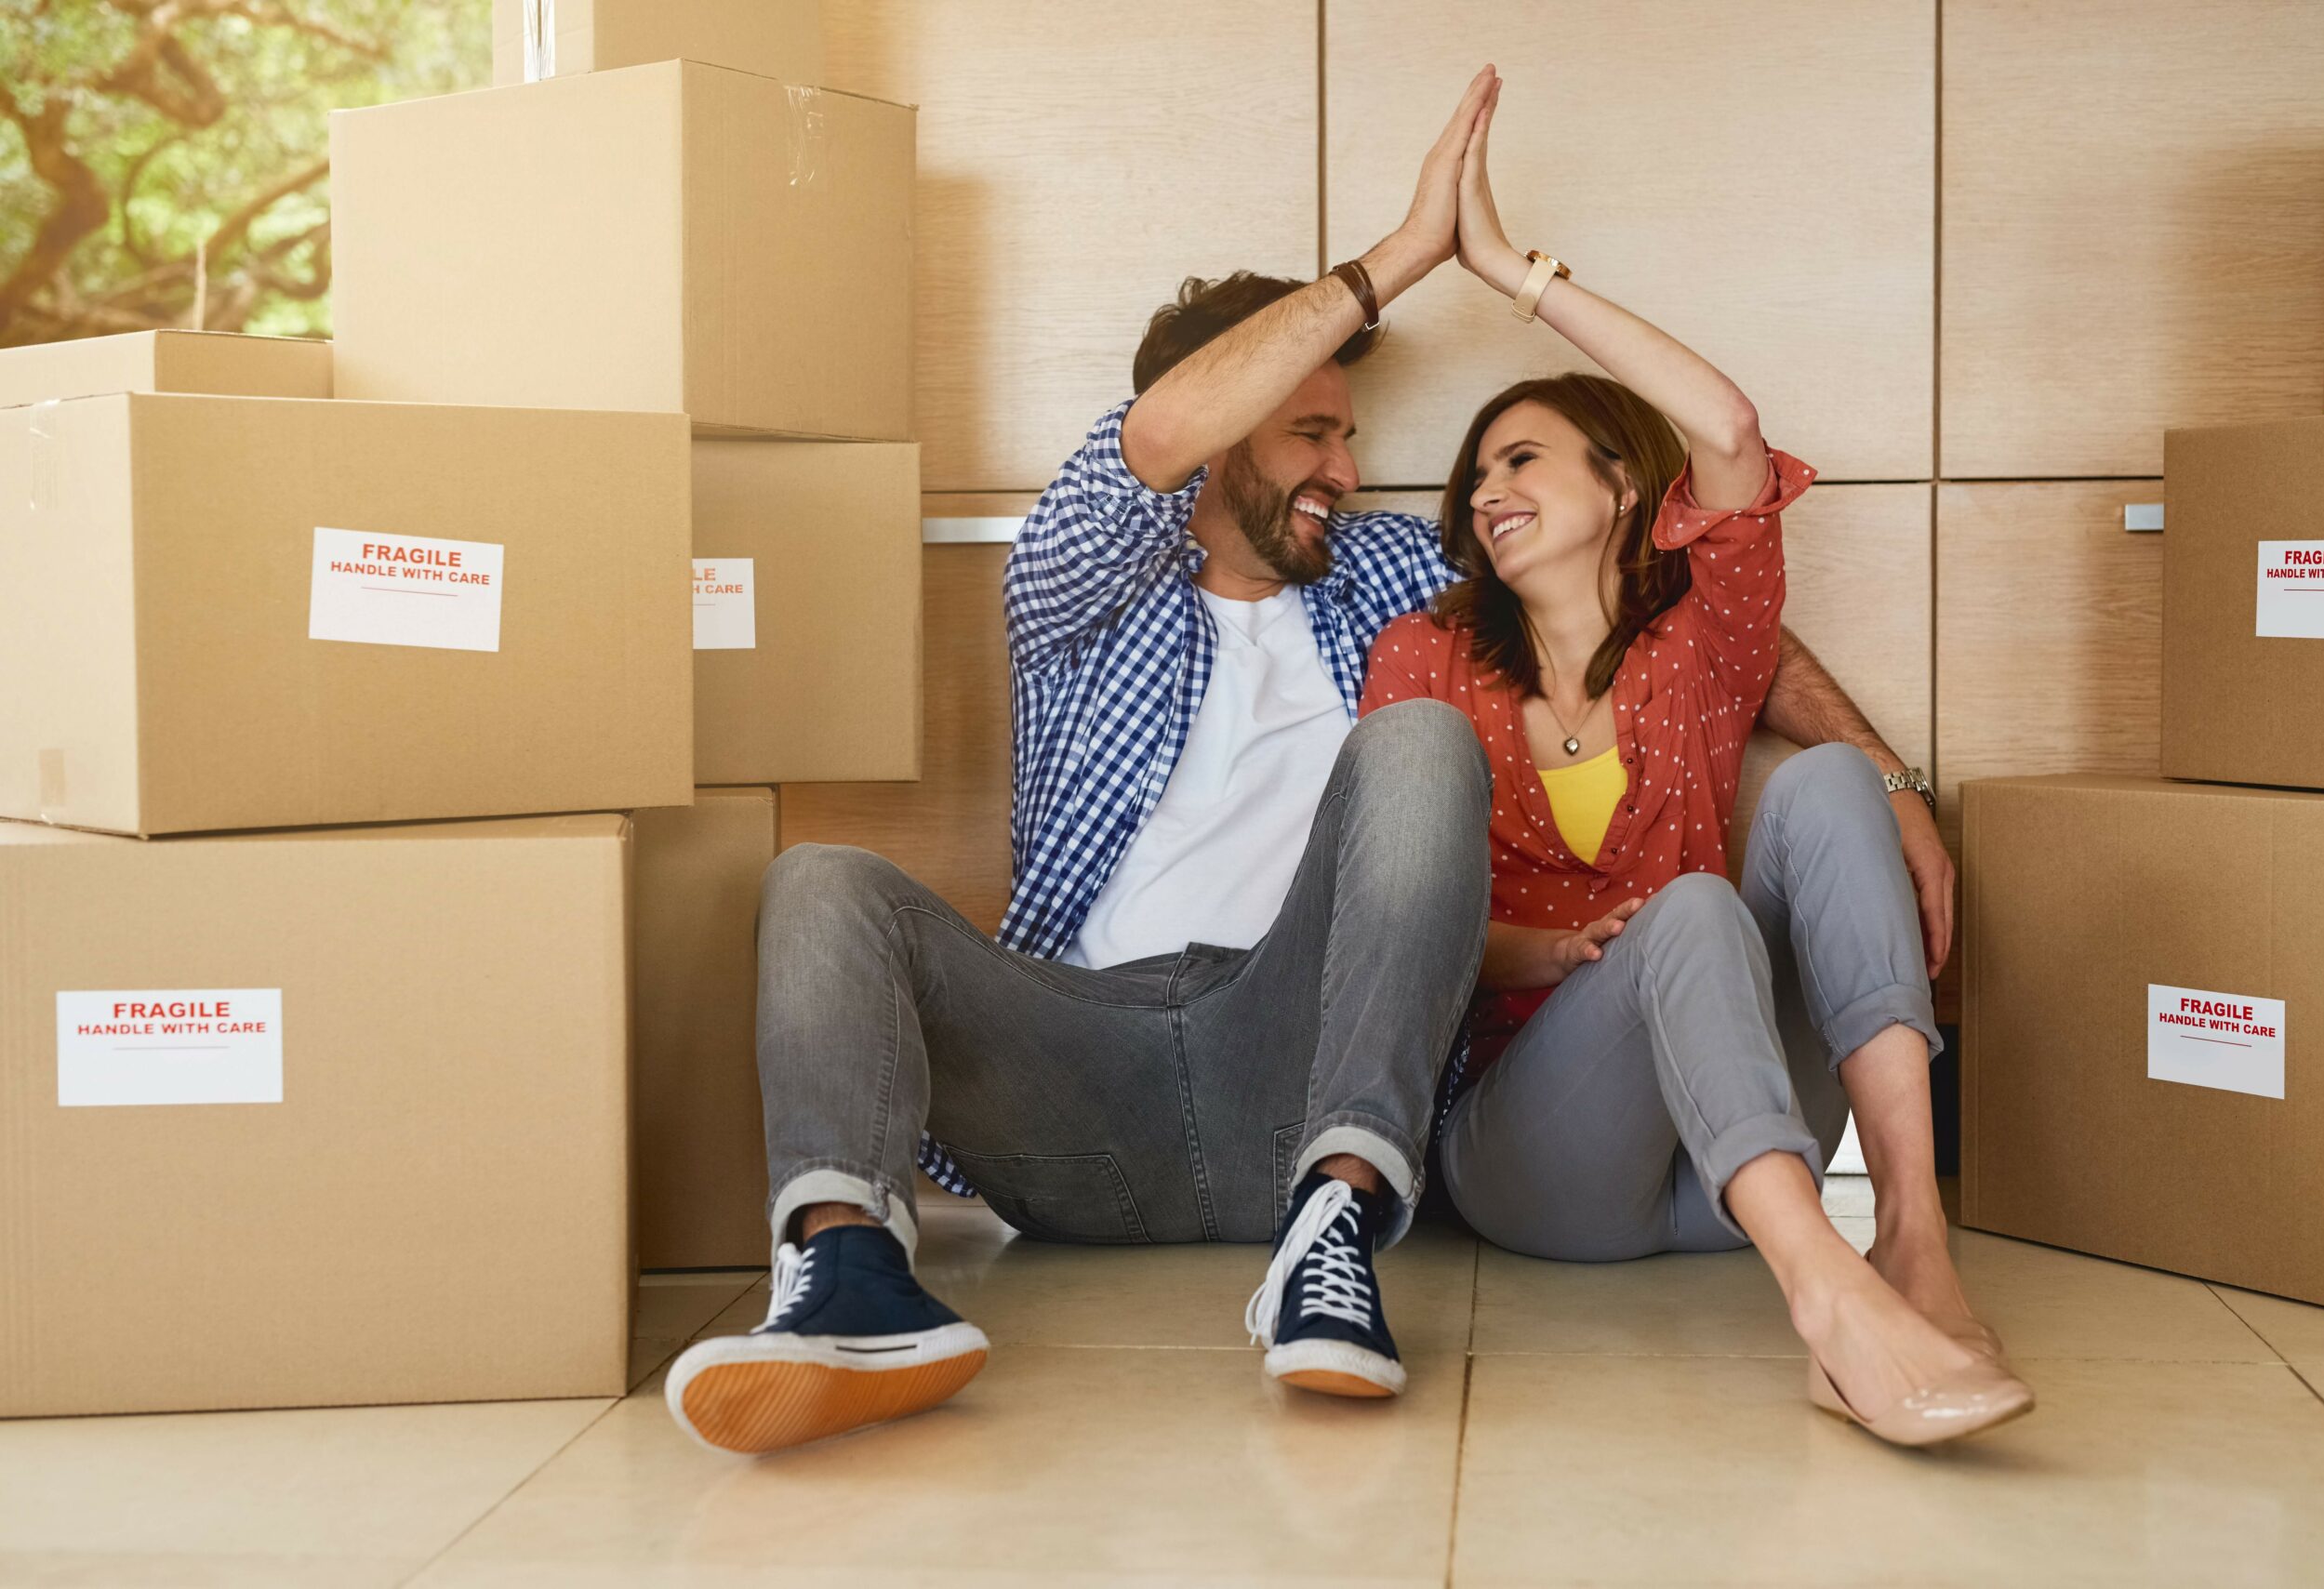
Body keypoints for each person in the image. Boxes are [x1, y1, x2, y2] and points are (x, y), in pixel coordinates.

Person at [666, 65, 1952, 1457]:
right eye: (1313, 431)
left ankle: (1333, 1230)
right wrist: (1406, 255)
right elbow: (1153, 437)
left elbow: (1681, 603)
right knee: (821, 884)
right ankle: (849, 1275)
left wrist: (1880, 770)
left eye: (1350, 434)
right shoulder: (1073, 585)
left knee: (1414, 744)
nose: (1349, 465)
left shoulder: (1399, 586)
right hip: (1078, 1071)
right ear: (1226, 436)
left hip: (1301, 1048)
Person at [1357, 75, 2032, 1447]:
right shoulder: (1423, 658)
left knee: (1835, 783)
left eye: (1524, 459)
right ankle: (1832, 1308)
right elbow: (1391, 931)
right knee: (1692, 911)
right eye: (1474, 477)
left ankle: (1910, 1231)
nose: (1487, 491)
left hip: (1735, 1146)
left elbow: (1726, 430)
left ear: (1622, 486)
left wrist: (1516, 276)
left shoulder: (1700, 645)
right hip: (1543, 1159)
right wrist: (1558, 952)